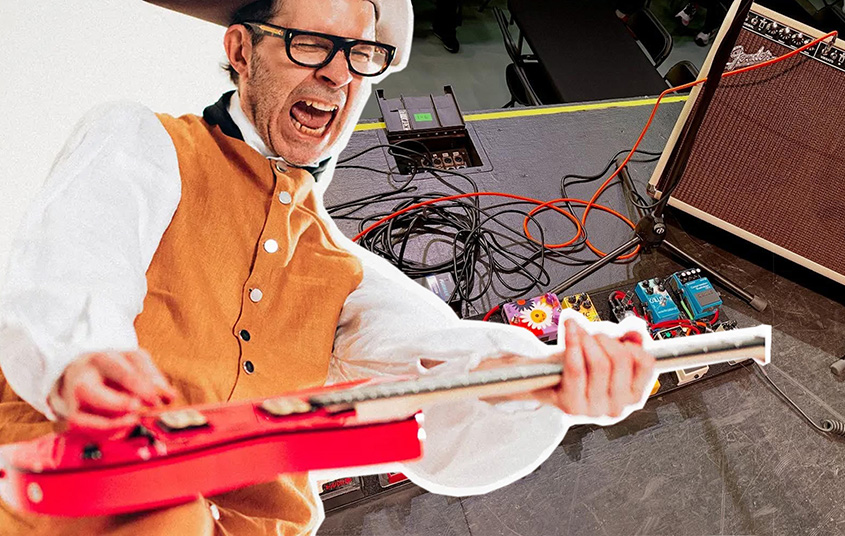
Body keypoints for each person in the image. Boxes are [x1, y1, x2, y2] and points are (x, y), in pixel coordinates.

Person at [0, 0, 656, 534]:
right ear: (240, 52)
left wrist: (543, 383)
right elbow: (76, 270)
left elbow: (441, 375)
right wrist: (84, 362)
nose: (339, 75)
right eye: (310, 43)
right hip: (62, 506)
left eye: (361, 55)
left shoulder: (340, 271)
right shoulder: (148, 144)